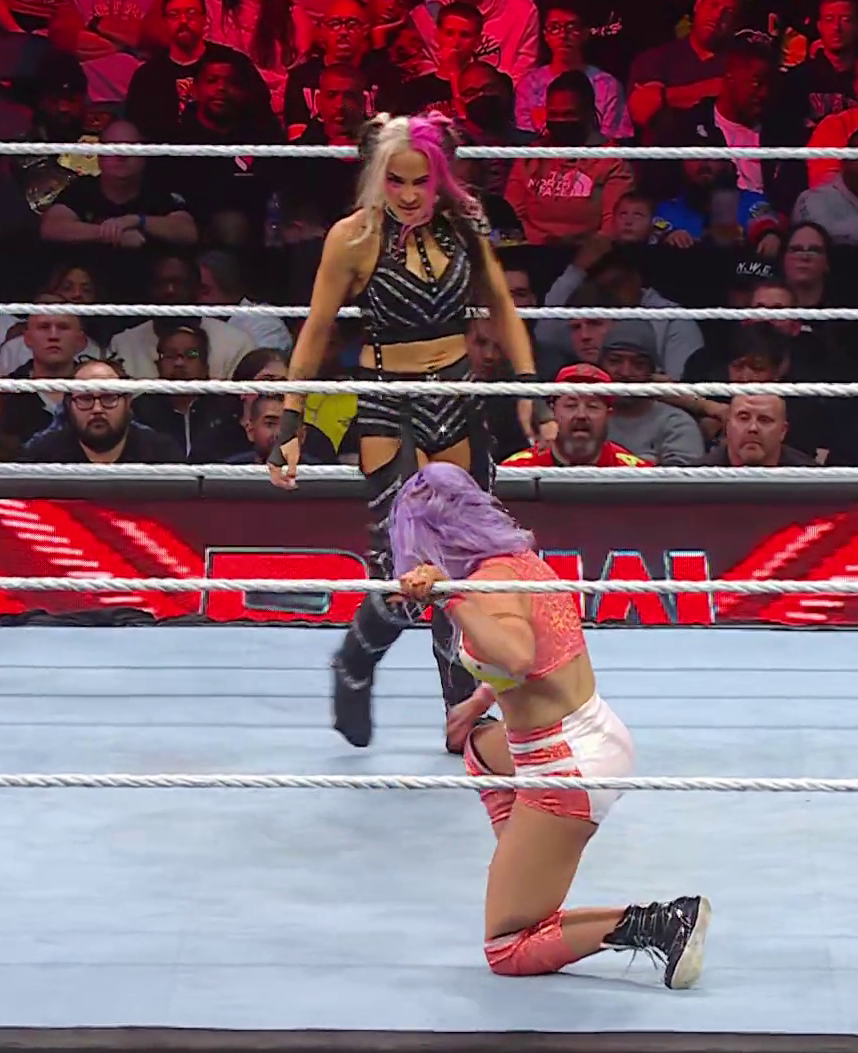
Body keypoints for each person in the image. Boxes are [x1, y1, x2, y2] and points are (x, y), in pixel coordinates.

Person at [267, 111, 539, 753]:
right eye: (397, 181)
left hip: (459, 395)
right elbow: (315, 330)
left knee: (468, 564)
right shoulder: (353, 237)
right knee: (406, 566)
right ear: (377, 178)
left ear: (440, 178)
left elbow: (501, 304)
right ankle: (355, 661)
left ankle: (460, 710)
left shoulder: (465, 222)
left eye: (421, 181)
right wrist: (290, 420)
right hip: (390, 400)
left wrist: (530, 387)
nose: (410, 195)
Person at [389, 463, 710, 987]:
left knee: (508, 948)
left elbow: (516, 654)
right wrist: (481, 699)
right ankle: (524, 863)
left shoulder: (481, 587)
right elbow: (539, 655)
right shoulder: (520, 560)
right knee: (480, 745)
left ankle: (662, 923)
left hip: (566, 767)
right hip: (592, 729)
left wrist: (450, 596)